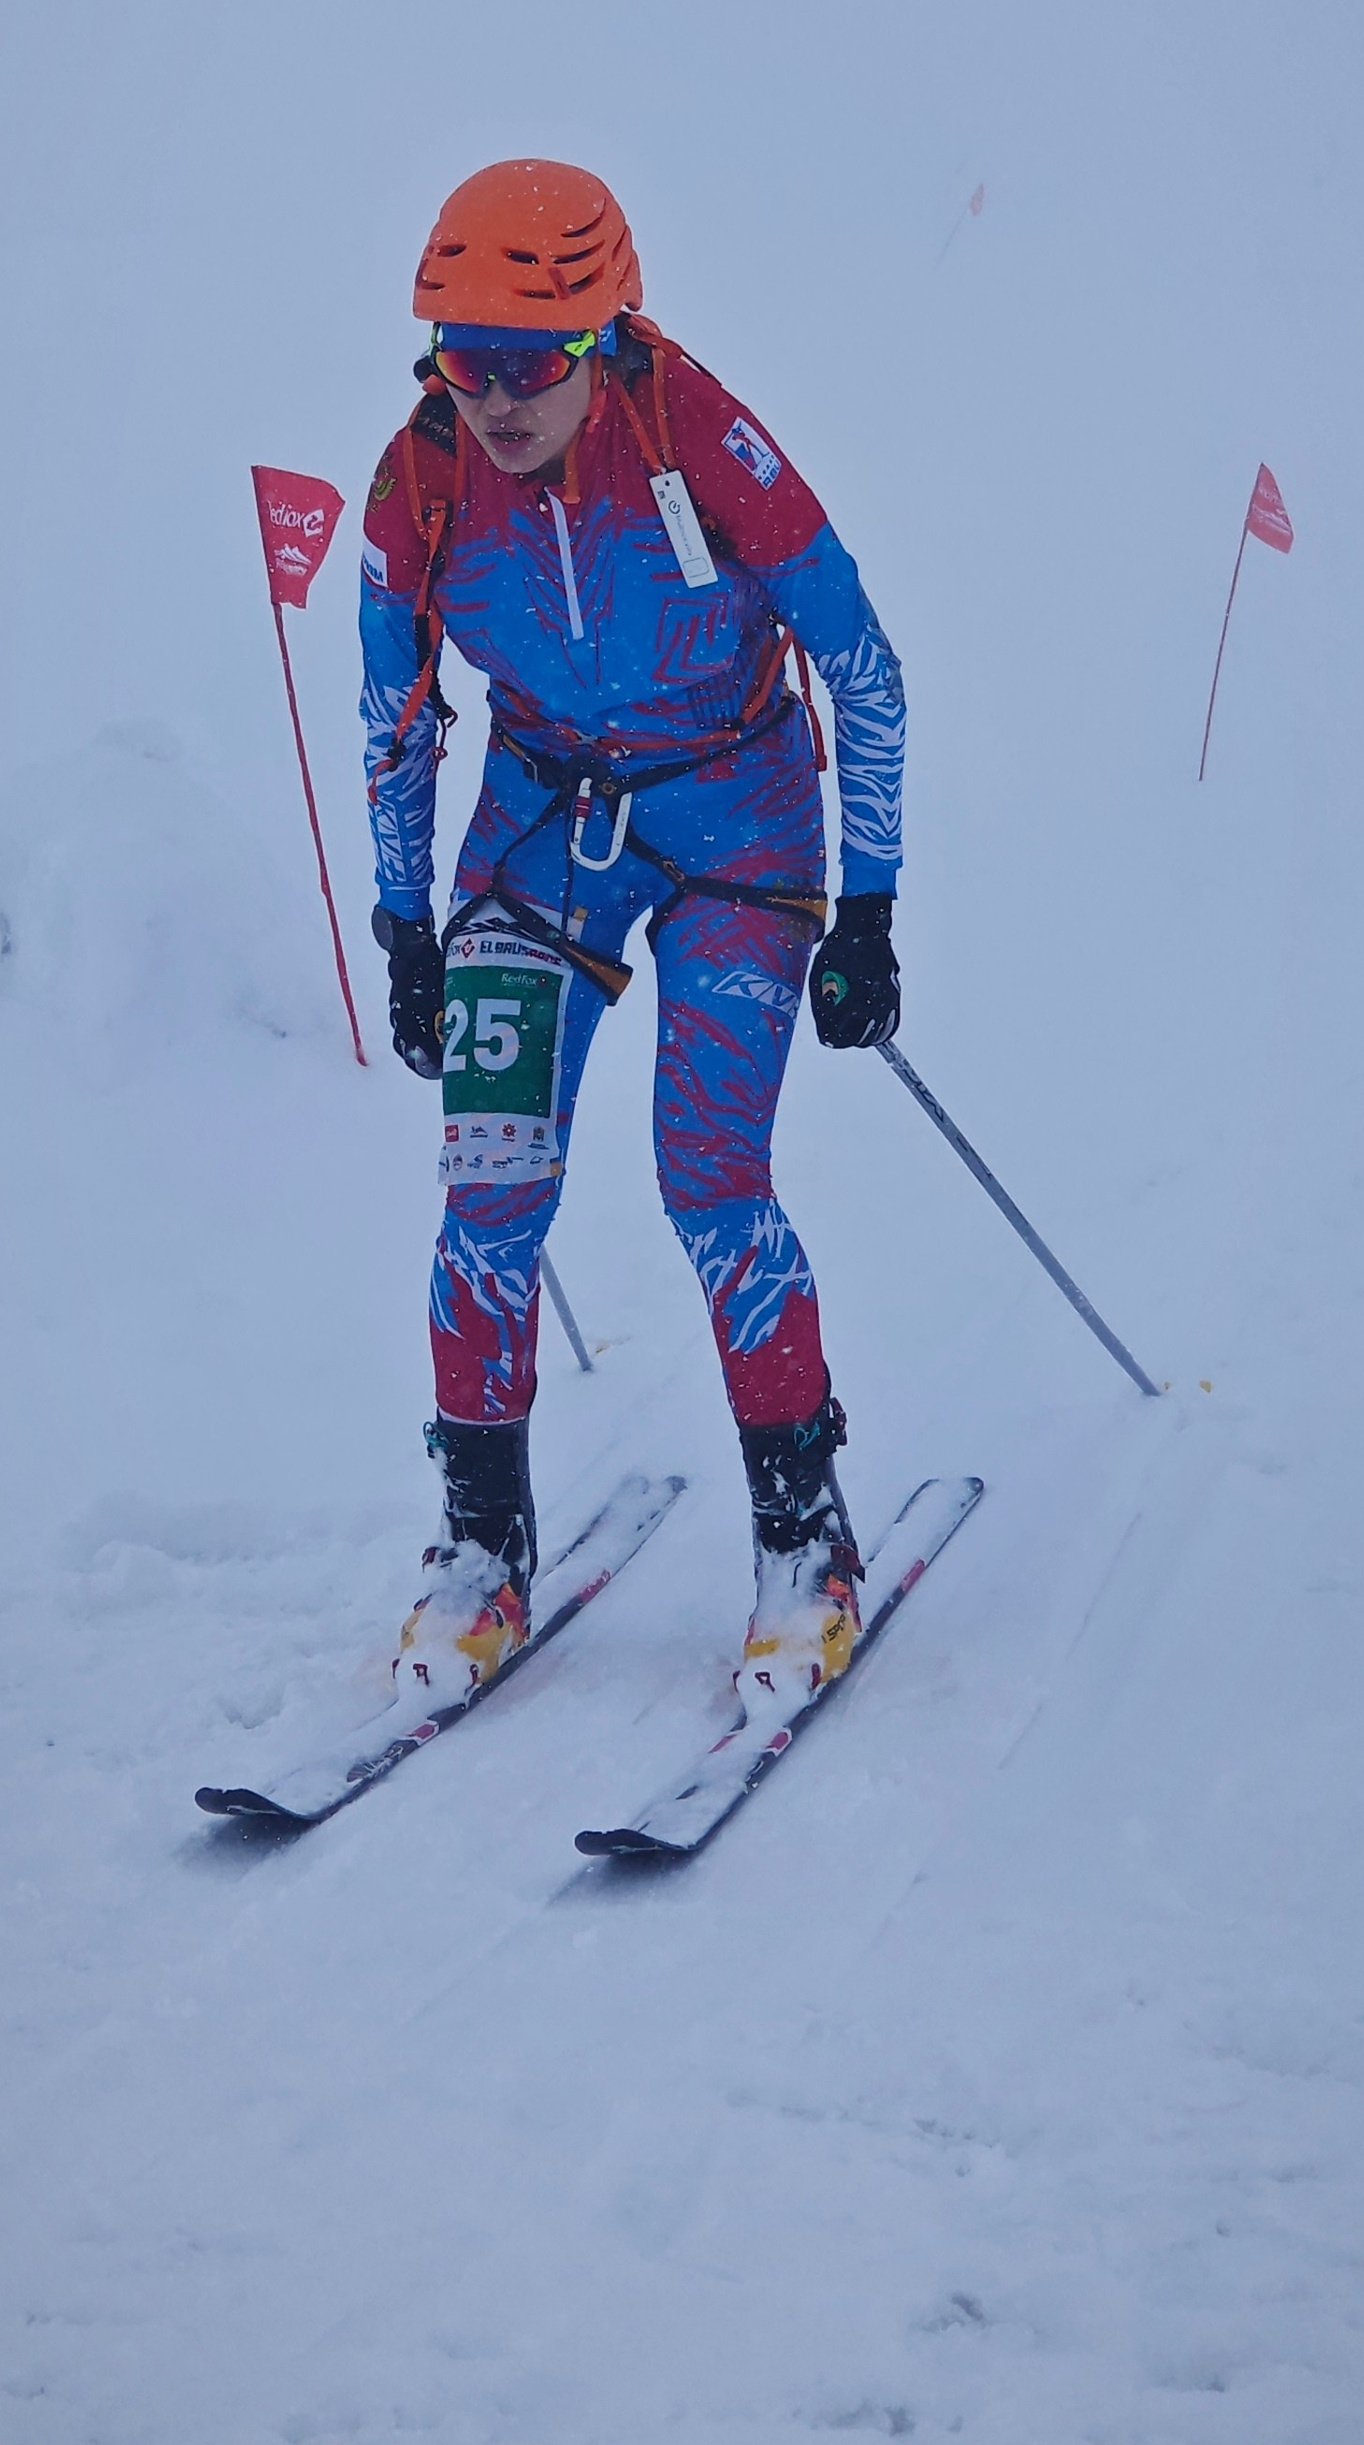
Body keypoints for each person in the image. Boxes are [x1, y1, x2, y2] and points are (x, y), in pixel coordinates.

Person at [359, 158, 906, 1722]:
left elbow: (862, 666)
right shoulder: (425, 482)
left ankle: (806, 1539)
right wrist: (407, 925)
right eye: (467, 361)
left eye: (536, 361)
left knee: (709, 1177)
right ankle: (479, 1543)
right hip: (542, 837)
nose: (501, 396)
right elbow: (393, 727)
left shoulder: (698, 434)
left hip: (737, 828)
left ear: (608, 338)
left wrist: (868, 903)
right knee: (491, 1189)